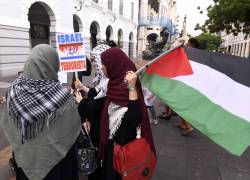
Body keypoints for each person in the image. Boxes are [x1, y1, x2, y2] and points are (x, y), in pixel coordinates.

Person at [0, 44, 81, 180]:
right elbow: (72, 130)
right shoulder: (62, 95)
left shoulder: (14, 91)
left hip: (27, 162)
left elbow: (10, 126)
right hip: (58, 164)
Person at [99, 48, 156, 180]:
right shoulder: (113, 84)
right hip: (111, 148)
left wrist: (131, 87)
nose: (102, 67)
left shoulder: (129, 89)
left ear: (114, 64)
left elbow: (135, 118)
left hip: (125, 153)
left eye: (104, 63)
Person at [74, 44, 111, 180]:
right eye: (93, 59)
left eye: (95, 59)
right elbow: (96, 94)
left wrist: (81, 102)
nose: (94, 63)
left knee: (99, 158)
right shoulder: (103, 79)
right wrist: (83, 87)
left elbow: (94, 105)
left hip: (101, 128)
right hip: (97, 124)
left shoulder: (108, 81)